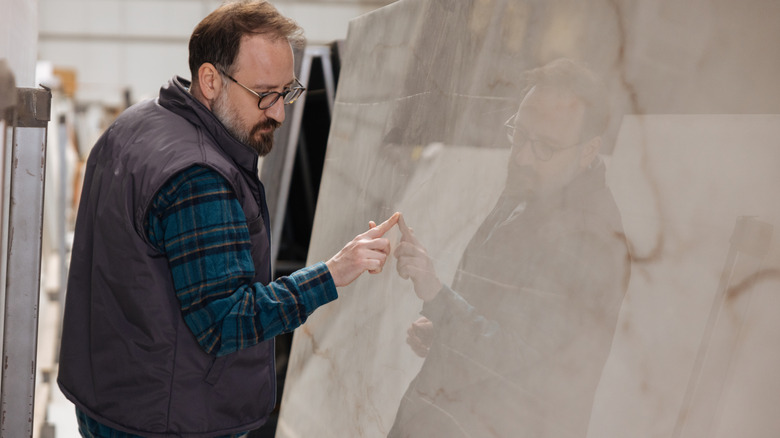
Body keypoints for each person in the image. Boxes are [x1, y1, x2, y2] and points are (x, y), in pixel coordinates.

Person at [57, 2, 399, 437]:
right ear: (211, 80)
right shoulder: (199, 176)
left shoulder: (134, 126)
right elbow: (227, 321)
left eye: (287, 92)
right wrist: (334, 272)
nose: (278, 112)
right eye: (264, 95)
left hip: (113, 400)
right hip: (170, 419)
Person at [389, 59, 631, 437]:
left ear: (589, 151)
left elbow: (522, 359)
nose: (522, 156)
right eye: (519, 135)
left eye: (546, 147)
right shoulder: (536, 185)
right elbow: (502, 314)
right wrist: (445, 332)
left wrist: (436, 294)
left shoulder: (592, 238)